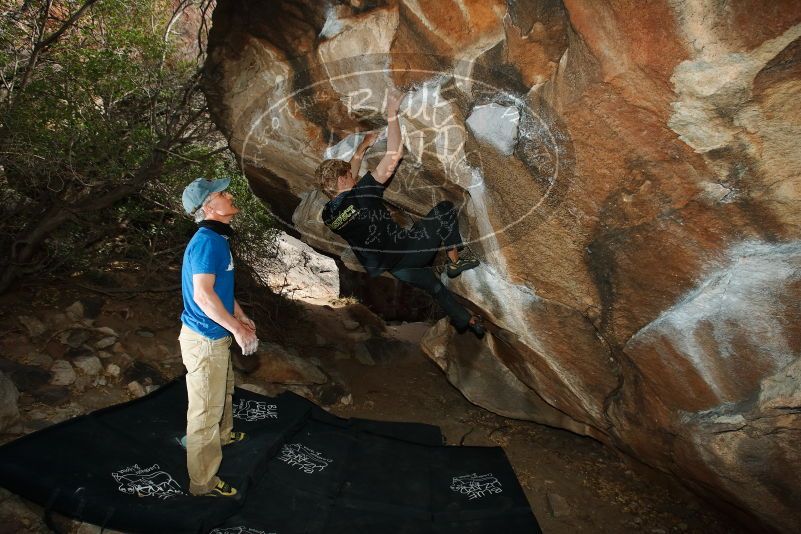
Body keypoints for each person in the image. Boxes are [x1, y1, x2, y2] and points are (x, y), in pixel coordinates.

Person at [318, 89, 484, 337]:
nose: (355, 178)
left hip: (395, 268)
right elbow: (393, 155)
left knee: (435, 289)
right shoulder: (361, 195)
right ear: (343, 180)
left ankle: (466, 320)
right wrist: (392, 113)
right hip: (409, 252)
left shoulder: (329, 215)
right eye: (350, 176)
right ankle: (456, 261)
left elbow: (346, 188)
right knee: (444, 210)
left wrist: (361, 150)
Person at [178, 177, 259, 497]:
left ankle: (224, 434)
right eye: (222, 194)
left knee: (223, 391)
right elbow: (202, 296)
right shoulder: (207, 241)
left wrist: (237, 315)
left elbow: (218, 290)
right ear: (209, 207)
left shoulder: (217, 238)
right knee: (203, 414)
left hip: (215, 335)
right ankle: (202, 483)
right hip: (205, 341)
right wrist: (238, 329)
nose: (230, 195)